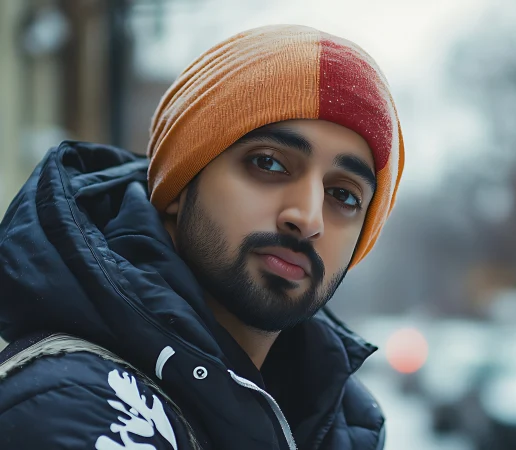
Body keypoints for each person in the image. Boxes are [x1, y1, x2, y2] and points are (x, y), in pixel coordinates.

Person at [0, 24, 404, 450]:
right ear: (178, 187)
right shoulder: (76, 413)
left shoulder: (334, 427)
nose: (306, 218)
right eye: (268, 164)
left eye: (342, 194)